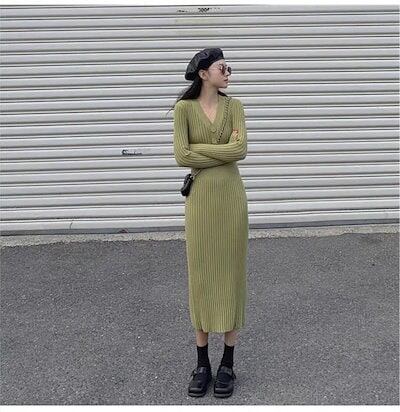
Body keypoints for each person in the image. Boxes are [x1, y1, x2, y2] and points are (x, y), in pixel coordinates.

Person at [172, 47, 249, 398]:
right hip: (201, 202)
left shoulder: (235, 107)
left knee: (231, 276)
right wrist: (222, 151)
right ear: (204, 73)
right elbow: (181, 155)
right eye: (222, 68)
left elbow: (240, 151)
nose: (228, 72)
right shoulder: (184, 109)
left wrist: (200, 150)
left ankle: (227, 363)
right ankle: (202, 363)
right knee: (201, 277)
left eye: (228, 68)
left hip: (231, 200)